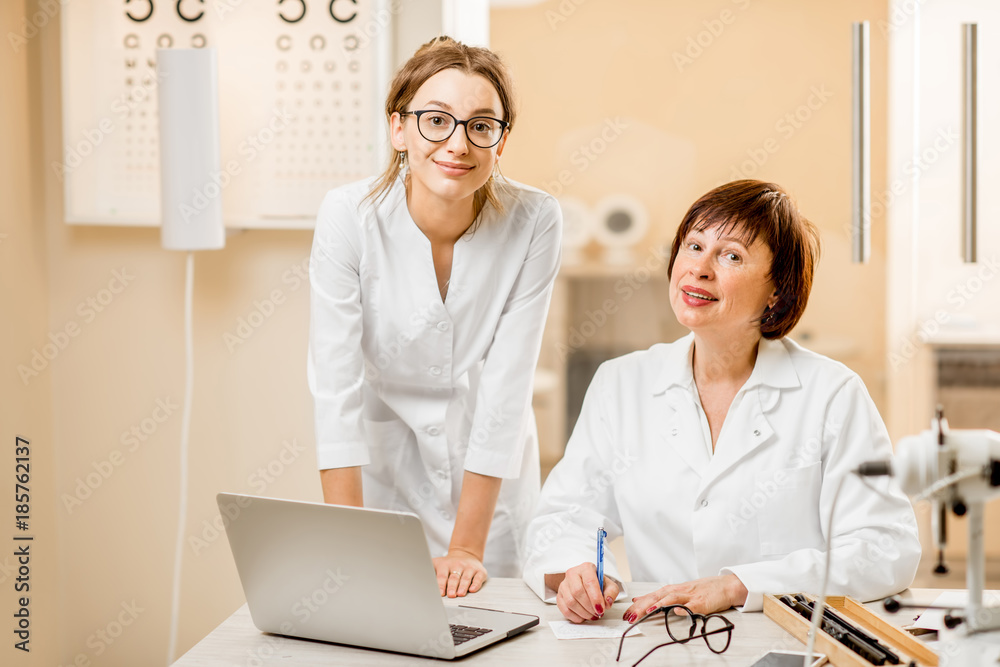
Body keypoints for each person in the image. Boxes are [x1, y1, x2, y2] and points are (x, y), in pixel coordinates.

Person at [522, 180, 920, 624]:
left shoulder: (832, 393)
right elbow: (564, 516)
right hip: (659, 638)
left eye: (731, 255)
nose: (700, 268)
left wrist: (738, 585)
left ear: (776, 291)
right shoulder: (621, 383)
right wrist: (578, 569)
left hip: (781, 636)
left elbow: (886, 547)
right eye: (693, 246)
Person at [308, 36, 561, 598]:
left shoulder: (535, 220)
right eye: (436, 120)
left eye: (480, 125)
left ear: (500, 140)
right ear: (399, 129)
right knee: (374, 617)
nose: (458, 143)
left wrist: (468, 546)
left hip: (487, 483)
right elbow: (335, 389)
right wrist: (349, 540)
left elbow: (507, 384)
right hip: (383, 472)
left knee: (491, 629)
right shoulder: (349, 217)